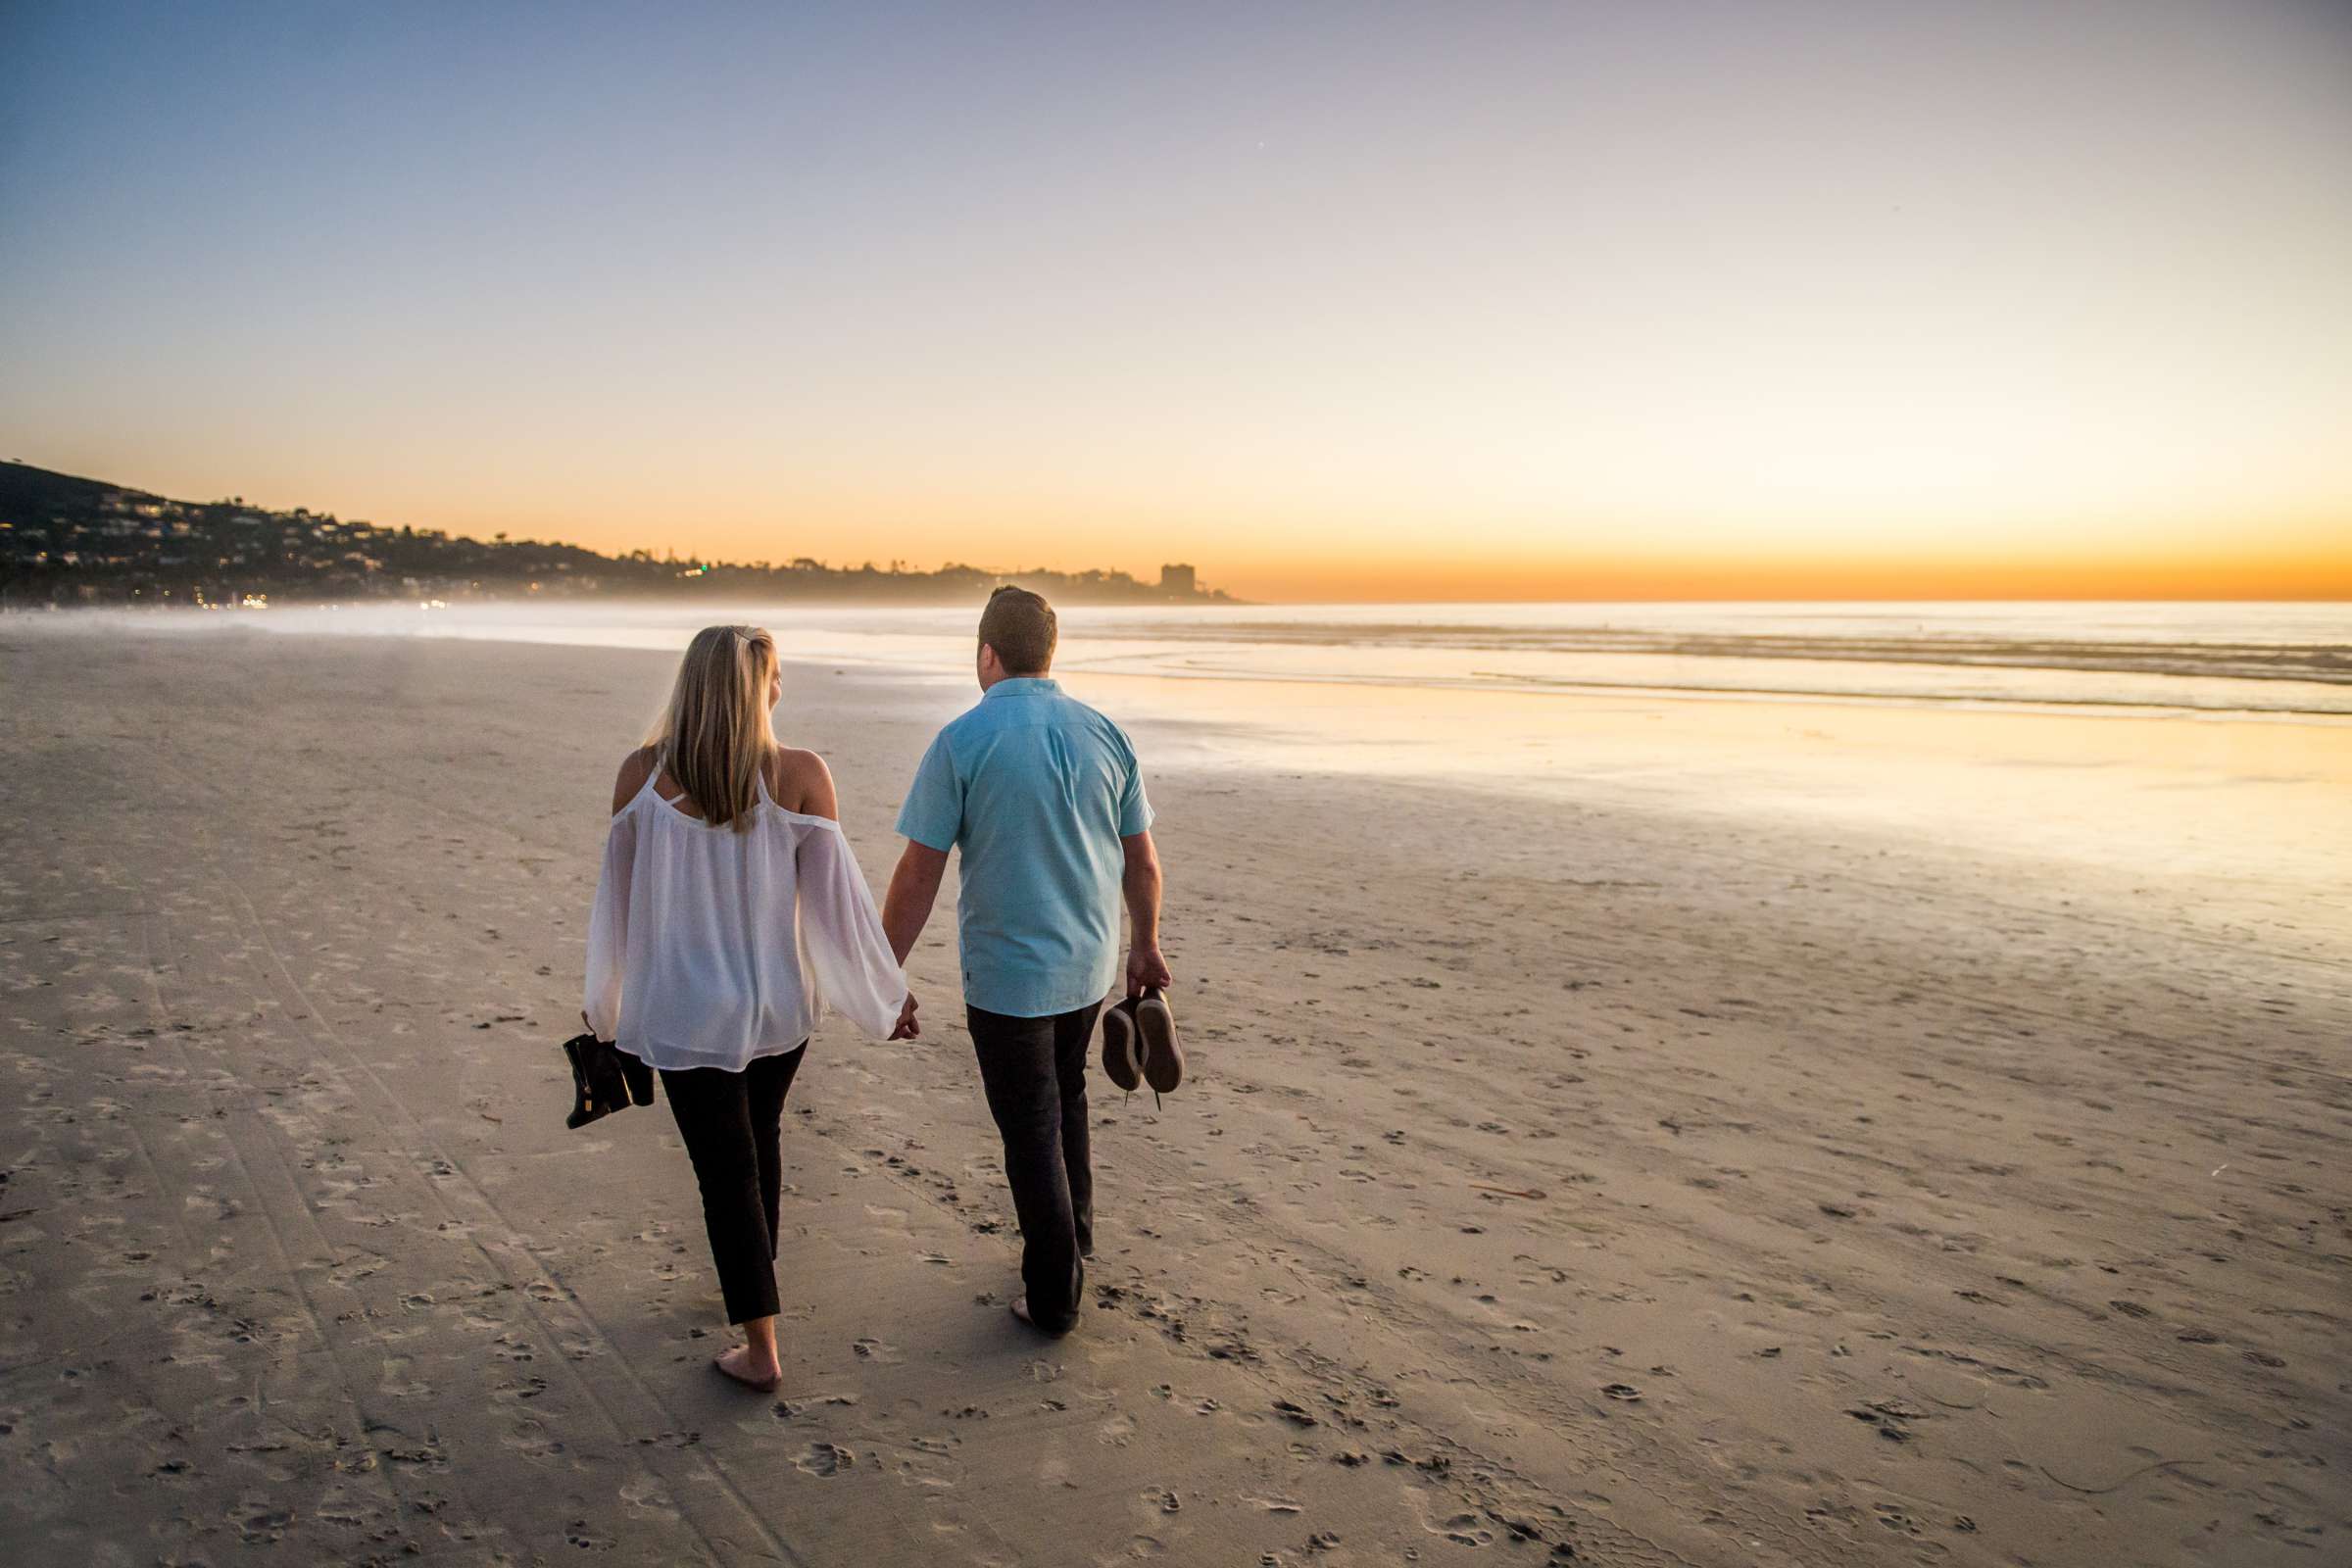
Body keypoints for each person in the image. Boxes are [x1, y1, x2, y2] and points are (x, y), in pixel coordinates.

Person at [584, 624, 919, 1392]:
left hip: (685, 1009)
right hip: (777, 1006)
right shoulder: (799, 773)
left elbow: (617, 905)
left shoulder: (641, 774)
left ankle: (760, 1346)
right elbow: (841, 908)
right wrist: (881, 995)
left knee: (725, 1167)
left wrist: (604, 1005)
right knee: (754, 1140)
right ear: (750, 689)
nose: (781, 689)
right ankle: (752, 1281)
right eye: (774, 677)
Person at [881, 587, 1171, 1336]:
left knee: (1031, 1127)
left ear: (986, 654)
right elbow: (1142, 862)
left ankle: (1053, 1296)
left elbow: (919, 873)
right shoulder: (1104, 733)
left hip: (1010, 980)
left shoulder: (963, 740)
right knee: (1066, 1096)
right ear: (1049, 653)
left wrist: (884, 972)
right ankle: (1075, 1241)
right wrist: (1146, 946)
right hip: (1088, 967)